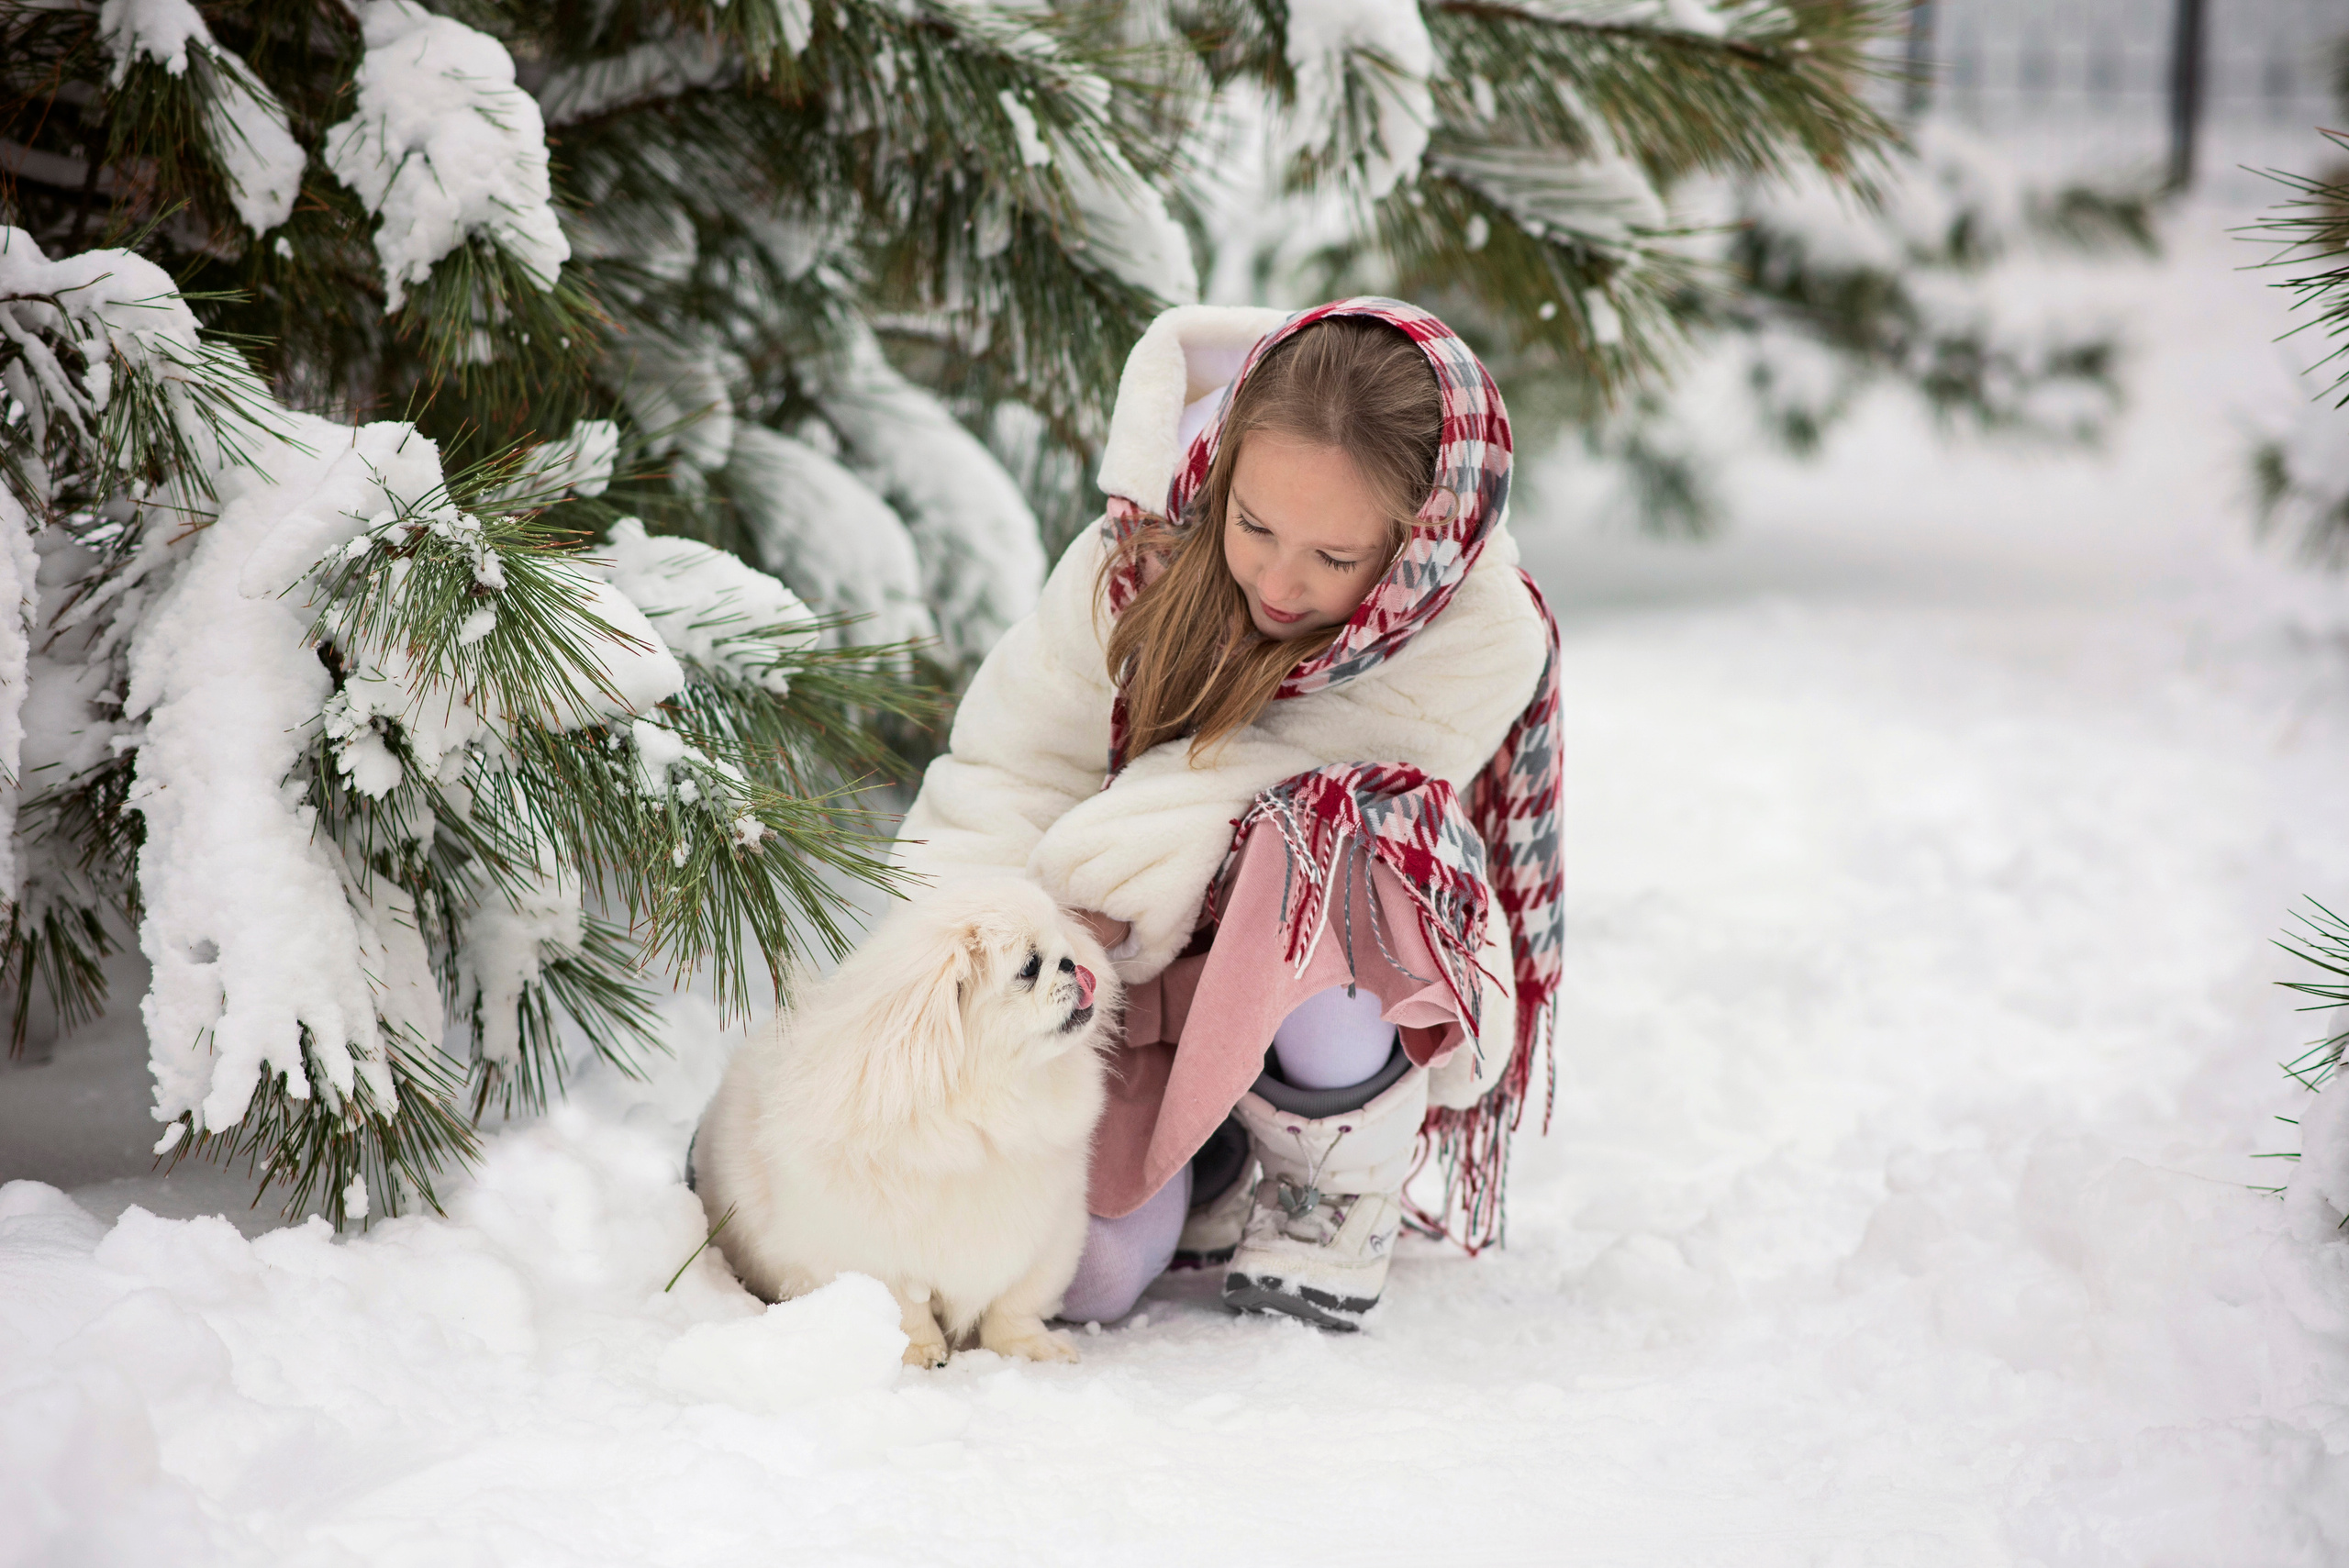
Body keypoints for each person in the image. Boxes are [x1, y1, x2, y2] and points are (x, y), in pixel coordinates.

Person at [892, 298, 1562, 1330]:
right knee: (1083, 1272)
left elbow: (1257, 781)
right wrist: (948, 970)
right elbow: (1010, 769)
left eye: (1335, 559)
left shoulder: (1471, 636)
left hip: (1303, 971)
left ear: (1417, 542)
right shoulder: (1140, 564)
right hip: (1114, 980)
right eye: (1253, 525)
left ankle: (1327, 1176)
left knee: (1336, 822)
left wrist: (1121, 877)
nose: (1278, 581)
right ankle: (1203, 1156)